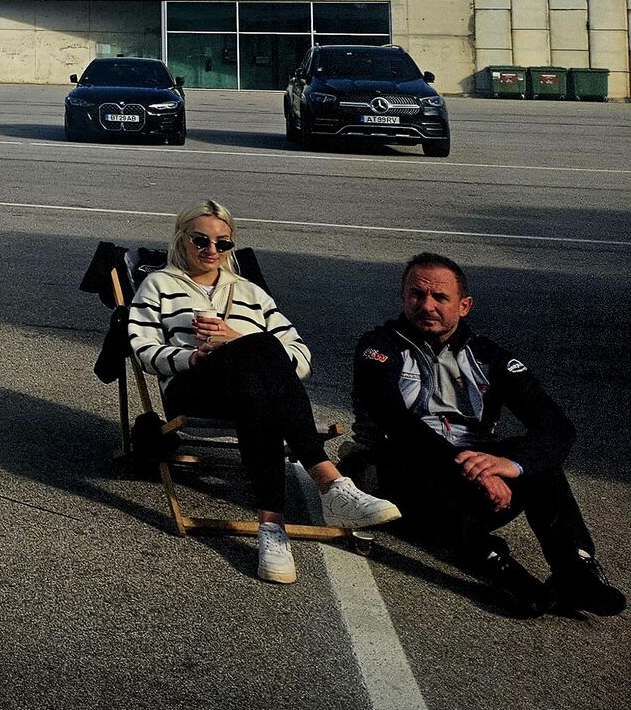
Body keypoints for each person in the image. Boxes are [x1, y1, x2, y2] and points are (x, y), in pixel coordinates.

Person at [127, 200, 400, 584]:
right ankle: (330, 484)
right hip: (194, 387)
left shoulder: (250, 292)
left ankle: (272, 529)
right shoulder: (158, 284)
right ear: (181, 239)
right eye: (200, 240)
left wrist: (237, 338)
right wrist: (193, 356)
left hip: (250, 396)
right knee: (262, 348)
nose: (211, 250)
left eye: (223, 243)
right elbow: (142, 349)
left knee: (259, 377)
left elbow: (301, 356)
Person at [352, 252, 623, 618]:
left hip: (472, 483)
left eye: (440, 297)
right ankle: (501, 569)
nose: (427, 305)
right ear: (404, 297)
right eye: (417, 294)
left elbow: (556, 426)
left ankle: (575, 571)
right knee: (405, 455)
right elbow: (394, 421)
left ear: (464, 306)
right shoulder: (378, 347)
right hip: (401, 479)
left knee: (540, 464)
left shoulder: (488, 356)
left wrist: (511, 465)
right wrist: (472, 469)